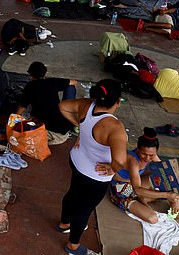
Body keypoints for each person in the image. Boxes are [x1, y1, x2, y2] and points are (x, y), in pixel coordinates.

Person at [57, 79, 128, 255]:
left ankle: (64, 223)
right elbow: (120, 161)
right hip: (95, 175)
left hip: (77, 160)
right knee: (84, 208)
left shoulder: (86, 105)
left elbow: (63, 106)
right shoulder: (115, 128)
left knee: (73, 192)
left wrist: (80, 125)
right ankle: (73, 246)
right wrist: (112, 169)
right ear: (118, 101)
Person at [109, 127, 179, 227]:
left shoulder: (152, 155)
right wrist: (167, 195)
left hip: (135, 184)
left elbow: (168, 175)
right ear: (138, 149)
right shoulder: (133, 161)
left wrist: (175, 200)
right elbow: (137, 189)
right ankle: (143, 199)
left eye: (151, 155)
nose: (147, 158)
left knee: (165, 180)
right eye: (144, 154)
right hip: (121, 191)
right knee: (153, 219)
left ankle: (173, 210)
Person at [16, 62, 78, 144]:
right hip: (64, 127)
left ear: (30, 75)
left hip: (48, 128)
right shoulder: (52, 82)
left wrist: (14, 118)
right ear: (44, 74)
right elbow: (74, 82)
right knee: (70, 87)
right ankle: (71, 110)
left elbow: (22, 107)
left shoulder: (29, 87)